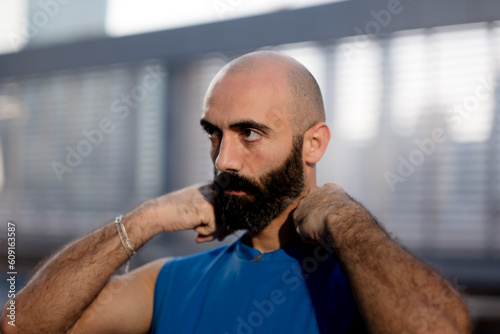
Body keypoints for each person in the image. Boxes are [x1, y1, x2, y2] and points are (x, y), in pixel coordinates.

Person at [1, 51, 469, 334]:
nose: (223, 160)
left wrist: (345, 218)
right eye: (214, 133)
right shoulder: (171, 282)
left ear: (314, 144)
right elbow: (20, 325)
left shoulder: (363, 283)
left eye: (249, 132)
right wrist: (148, 218)